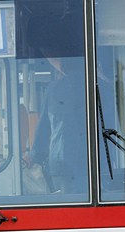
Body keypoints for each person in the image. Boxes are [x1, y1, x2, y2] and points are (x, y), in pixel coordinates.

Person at [29, 47, 88, 194]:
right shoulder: (101, 85)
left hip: (62, 161)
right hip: (97, 163)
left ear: (63, 65)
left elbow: (44, 129)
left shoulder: (54, 88)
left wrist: (36, 156)